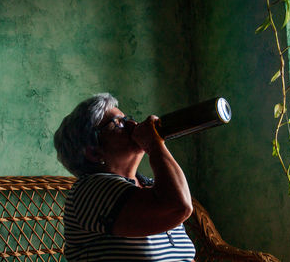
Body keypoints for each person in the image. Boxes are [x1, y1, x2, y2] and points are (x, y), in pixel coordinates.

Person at [54, 93, 196, 261]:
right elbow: (178, 207)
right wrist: (153, 144)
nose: (132, 124)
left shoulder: (150, 186)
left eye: (127, 118)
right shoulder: (90, 190)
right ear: (93, 151)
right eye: (118, 123)